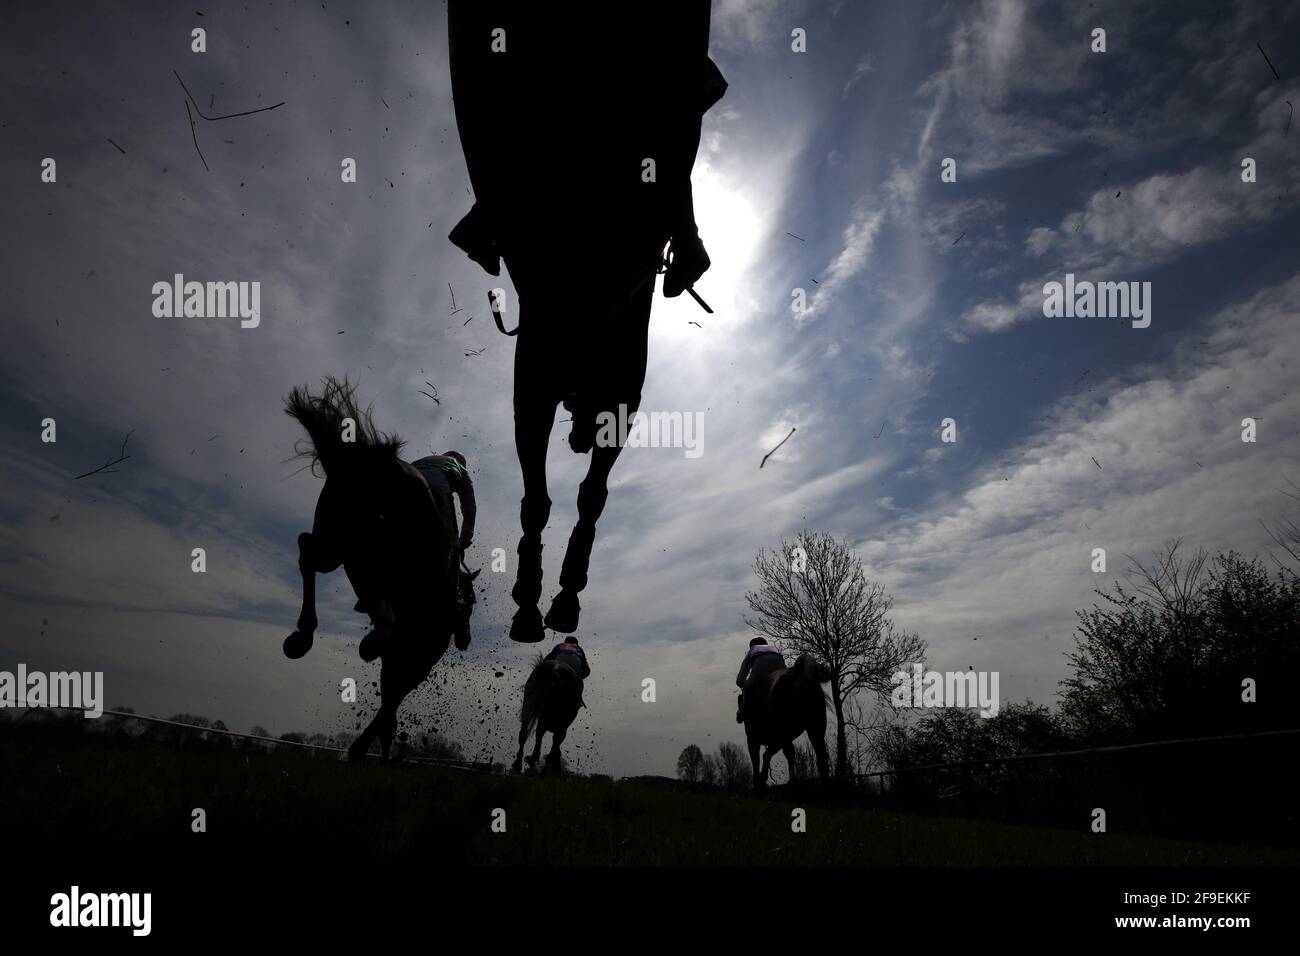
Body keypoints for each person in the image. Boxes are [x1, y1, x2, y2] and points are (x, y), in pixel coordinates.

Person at [411, 451, 477, 650]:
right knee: (453, 553)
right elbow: (469, 508)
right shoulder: (460, 470)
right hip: (436, 492)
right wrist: (462, 541)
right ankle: (459, 614)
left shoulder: (420, 459)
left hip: (393, 492)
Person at [735, 637, 785, 723]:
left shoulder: (752, 651)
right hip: (780, 668)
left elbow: (740, 679)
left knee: (747, 689)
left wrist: (743, 683)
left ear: (751, 646)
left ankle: (743, 712)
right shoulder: (775, 649)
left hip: (760, 668)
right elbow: (783, 663)